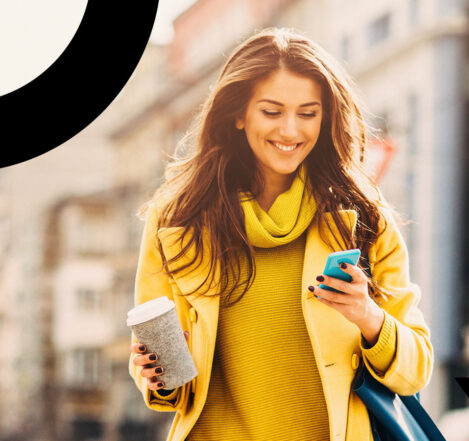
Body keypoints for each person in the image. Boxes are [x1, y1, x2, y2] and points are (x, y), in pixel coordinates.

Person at [128, 27, 433, 441]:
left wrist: (369, 317)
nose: (290, 131)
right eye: (271, 112)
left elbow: (416, 370)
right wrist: (156, 372)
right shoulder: (178, 220)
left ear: (326, 118)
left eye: (308, 113)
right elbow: (172, 388)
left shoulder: (363, 219)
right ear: (238, 114)